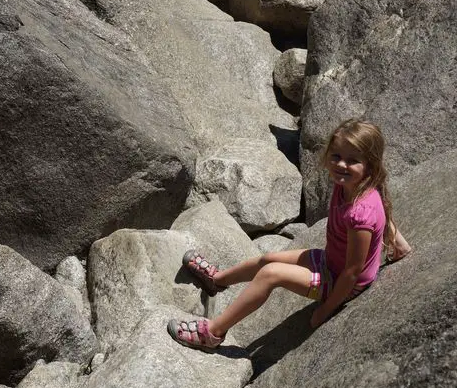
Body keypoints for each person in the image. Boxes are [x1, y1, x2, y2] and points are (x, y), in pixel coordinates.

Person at [167, 118, 412, 351]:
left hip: (340, 282)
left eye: (352, 160)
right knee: (267, 259)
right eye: (336, 156)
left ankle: (212, 333)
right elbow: (386, 216)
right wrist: (399, 245)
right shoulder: (350, 185)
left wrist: (326, 309)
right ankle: (218, 280)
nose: (341, 165)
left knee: (270, 274)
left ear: (370, 165)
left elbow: (353, 271)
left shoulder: (362, 213)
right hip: (329, 261)